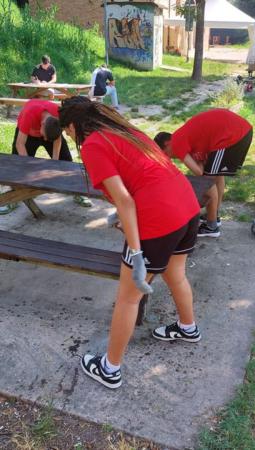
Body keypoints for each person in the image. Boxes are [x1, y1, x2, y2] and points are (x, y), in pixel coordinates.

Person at [59, 97, 202, 389]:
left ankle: (110, 368)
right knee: (176, 275)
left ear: (73, 126)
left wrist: (136, 252)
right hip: (186, 207)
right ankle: (188, 328)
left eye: (67, 132)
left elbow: (124, 198)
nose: (68, 137)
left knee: (128, 297)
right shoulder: (126, 131)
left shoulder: (93, 144)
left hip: (159, 219)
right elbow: (140, 180)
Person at [154, 109, 253, 238]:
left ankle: (211, 226)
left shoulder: (177, 142)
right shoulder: (186, 138)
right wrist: (200, 163)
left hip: (232, 134)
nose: (170, 158)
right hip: (239, 130)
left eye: (166, 154)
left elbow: (199, 173)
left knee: (206, 182)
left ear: (167, 143)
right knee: (216, 175)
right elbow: (201, 167)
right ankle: (213, 216)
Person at [9, 98, 91, 208]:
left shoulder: (58, 114)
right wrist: (27, 166)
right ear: (41, 124)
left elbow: (57, 140)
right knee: (17, 164)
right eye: (44, 137)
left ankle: (77, 193)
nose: (45, 140)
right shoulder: (29, 114)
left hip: (50, 131)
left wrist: (55, 161)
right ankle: (13, 198)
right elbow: (20, 144)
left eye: (46, 138)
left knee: (66, 161)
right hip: (27, 135)